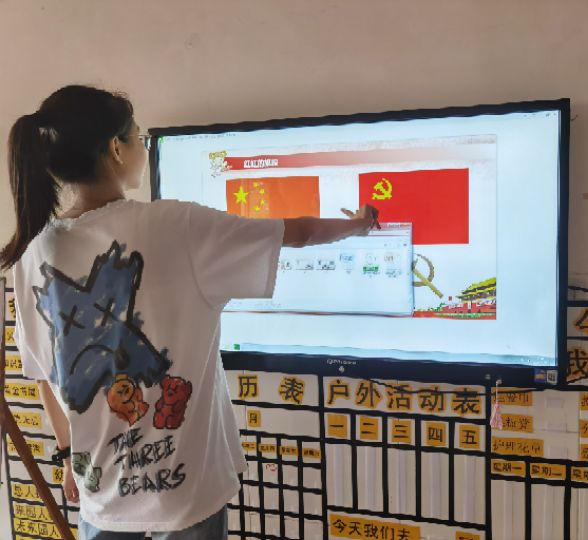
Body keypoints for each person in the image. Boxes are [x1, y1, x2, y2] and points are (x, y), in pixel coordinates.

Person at [0, 85, 379, 539]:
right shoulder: (175, 226)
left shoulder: (33, 253)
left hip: (100, 496)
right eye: (140, 136)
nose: (144, 146)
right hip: (185, 496)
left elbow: (43, 375)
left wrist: (67, 458)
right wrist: (359, 224)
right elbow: (296, 233)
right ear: (116, 149)